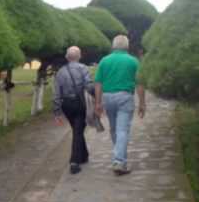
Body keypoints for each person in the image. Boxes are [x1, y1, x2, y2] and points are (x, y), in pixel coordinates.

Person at [94, 35, 146, 175]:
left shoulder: (104, 61)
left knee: (114, 129)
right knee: (122, 130)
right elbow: (140, 84)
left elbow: (98, 83)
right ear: (127, 46)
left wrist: (98, 102)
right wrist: (142, 103)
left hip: (108, 98)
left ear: (113, 46)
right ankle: (119, 161)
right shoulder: (133, 61)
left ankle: (119, 158)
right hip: (125, 97)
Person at [53, 46, 93, 174]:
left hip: (66, 105)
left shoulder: (60, 72)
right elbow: (89, 86)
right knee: (78, 130)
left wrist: (57, 111)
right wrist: (96, 97)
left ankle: (84, 155)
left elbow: (56, 94)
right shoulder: (83, 69)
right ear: (79, 56)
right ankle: (74, 162)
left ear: (67, 57)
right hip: (80, 103)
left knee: (77, 129)